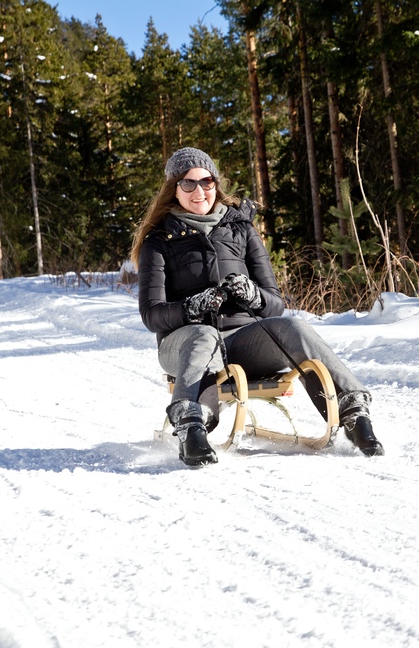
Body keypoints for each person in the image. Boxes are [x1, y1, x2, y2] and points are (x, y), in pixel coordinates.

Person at [131, 147, 384, 466]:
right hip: (183, 343)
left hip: (242, 341)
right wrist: (192, 307)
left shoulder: (240, 229)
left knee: (295, 327)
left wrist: (253, 295)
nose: (199, 191)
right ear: (174, 189)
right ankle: (191, 427)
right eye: (188, 183)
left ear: (216, 184)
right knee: (203, 335)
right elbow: (152, 315)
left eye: (206, 182)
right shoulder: (160, 240)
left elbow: (274, 304)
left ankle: (355, 414)